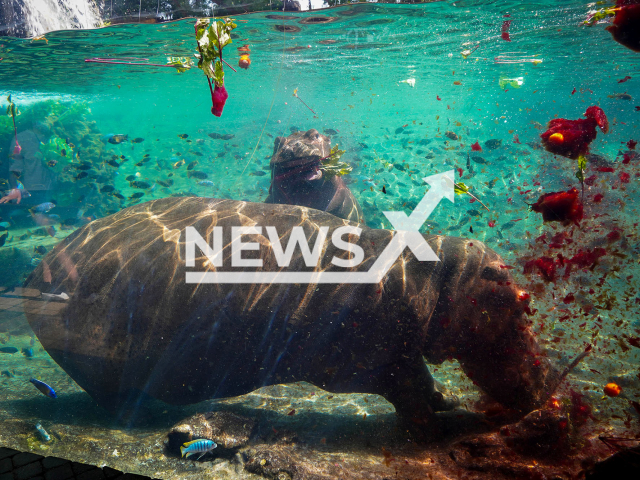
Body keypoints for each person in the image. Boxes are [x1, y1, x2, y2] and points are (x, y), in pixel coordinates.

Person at [1, 120, 55, 206]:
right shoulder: (22, 138)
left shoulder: (48, 140)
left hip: (45, 187)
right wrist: (14, 188)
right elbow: (15, 166)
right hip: (29, 188)